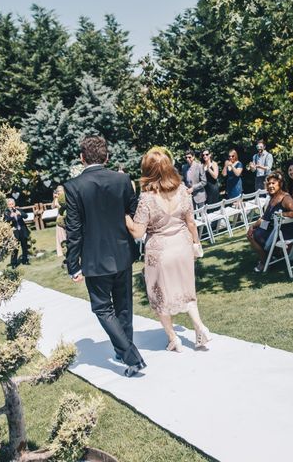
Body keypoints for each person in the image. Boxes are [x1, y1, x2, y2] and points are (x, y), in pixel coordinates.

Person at [65, 135, 146, 378]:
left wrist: (73, 265)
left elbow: (74, 229)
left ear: (81, 158)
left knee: (103, 309)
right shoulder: (122, 179)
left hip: (94, 259)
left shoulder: (73, 186)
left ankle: (129, 355)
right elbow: (133, 209)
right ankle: (125, 351)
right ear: (107, 157)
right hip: (122, 253)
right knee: (123, 307)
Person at [125, 148, 211, 351]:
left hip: (160, 251)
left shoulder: (146, 198)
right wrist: (195, 245)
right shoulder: (182, 189)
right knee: (187, 290)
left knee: (159, 295)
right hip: (183, 247)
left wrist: (124, 216)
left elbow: (137, 232)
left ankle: (174, 339)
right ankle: (199, 327)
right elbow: (191, 223)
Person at [246, 171, 293, 273]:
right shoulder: (272, 198)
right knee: (252, 232)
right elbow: (264, 218)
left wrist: (282, 214)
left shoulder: (285, 198)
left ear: (280, 184)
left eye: (273, 183)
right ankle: (269, 256)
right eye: (269, 184)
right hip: (272, 227)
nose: (270, 186)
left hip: (282, 231)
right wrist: (252, 226)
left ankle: (265, 261)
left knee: (253, 236)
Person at [4, 199, 30, 267]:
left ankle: (25, 260)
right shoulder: (6, 212)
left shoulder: (18, 209)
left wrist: (20, 213)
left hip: (22, 230)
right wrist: (11, 217)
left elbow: (26, 215)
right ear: (7, 205)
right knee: (15, 248)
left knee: (24, 246)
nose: (11, 206)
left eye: (12, 204)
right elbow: (6, 220)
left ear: (14, 204)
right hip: (14, 232)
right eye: (9, 204)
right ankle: (14, 263)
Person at [53, 186, 67, 257]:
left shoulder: (65, 197)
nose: (59, 192)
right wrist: (55, 198)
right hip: (59, 216)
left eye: (60, 190)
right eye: (58, 191)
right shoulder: (57, 198)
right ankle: (62, 249)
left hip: (65, 215)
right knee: (60, 233)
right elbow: (53, 206)